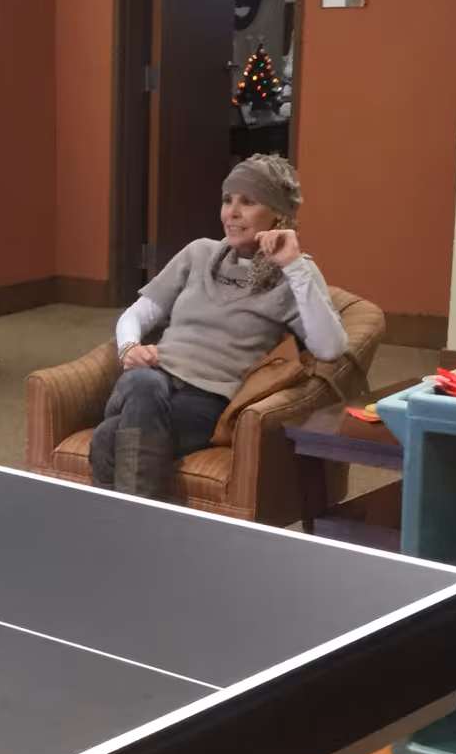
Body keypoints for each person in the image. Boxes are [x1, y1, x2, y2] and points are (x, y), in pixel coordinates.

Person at [89, 153, 347, 498]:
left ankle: (120, 528)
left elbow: (330, 347)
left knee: (109, 437)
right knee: (144, 384)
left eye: (248, 202)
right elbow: (137, 314)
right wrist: (129, 348)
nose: (232, 213)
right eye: (228, 201)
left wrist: (292, 265)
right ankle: (140, 526)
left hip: (207, 401)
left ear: (278, 214)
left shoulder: (294, 273)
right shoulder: (198, 253)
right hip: (151, 376)